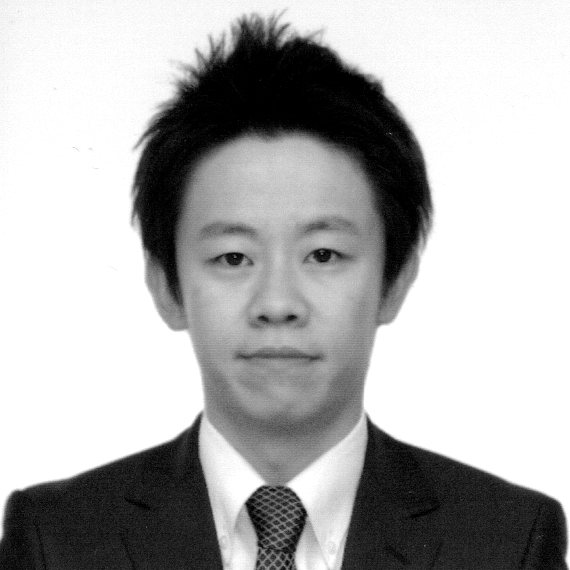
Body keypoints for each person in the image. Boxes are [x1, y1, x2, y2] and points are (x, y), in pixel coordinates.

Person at [0, 14, 566, 570]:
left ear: (394, 281)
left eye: (323, 255)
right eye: (233, 258)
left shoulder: (506, 540)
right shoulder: (57, 539)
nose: (277, 305)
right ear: (166, 287)